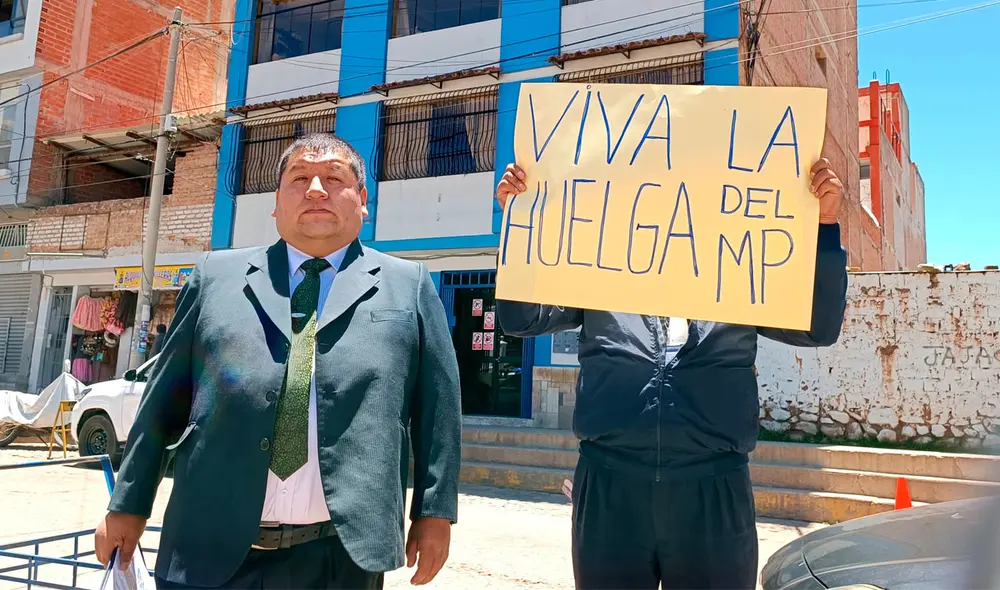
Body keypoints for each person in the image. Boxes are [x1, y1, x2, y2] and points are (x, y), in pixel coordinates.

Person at [94, 133, 463, 589]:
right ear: (275, 203)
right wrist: (128, 502)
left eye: (333, 177)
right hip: (207, 547)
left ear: (363, 200)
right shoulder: (215, 277)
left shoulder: (408, 286)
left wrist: (434, 512)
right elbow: (164, 400)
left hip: (340, 558)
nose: (315, 189)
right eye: (299, 178)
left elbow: (438, 413)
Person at [494, 158, 849, 590]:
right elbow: (520, 317)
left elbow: (817, 326)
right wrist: (519, 222)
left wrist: (825, 226)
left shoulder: (740, 271)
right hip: (610, 487)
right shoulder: (595, 266)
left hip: (714, 490)